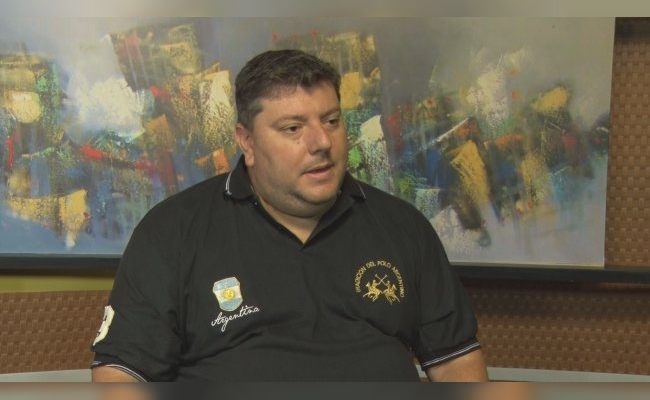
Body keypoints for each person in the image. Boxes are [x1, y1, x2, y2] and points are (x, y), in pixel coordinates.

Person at [90, 49, 488, 382]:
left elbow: (456, 362)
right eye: (293, 128)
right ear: (247, 141)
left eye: (331, 121)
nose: (321, 142)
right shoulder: (173, 231)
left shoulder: (403, 226)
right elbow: (120, 375)